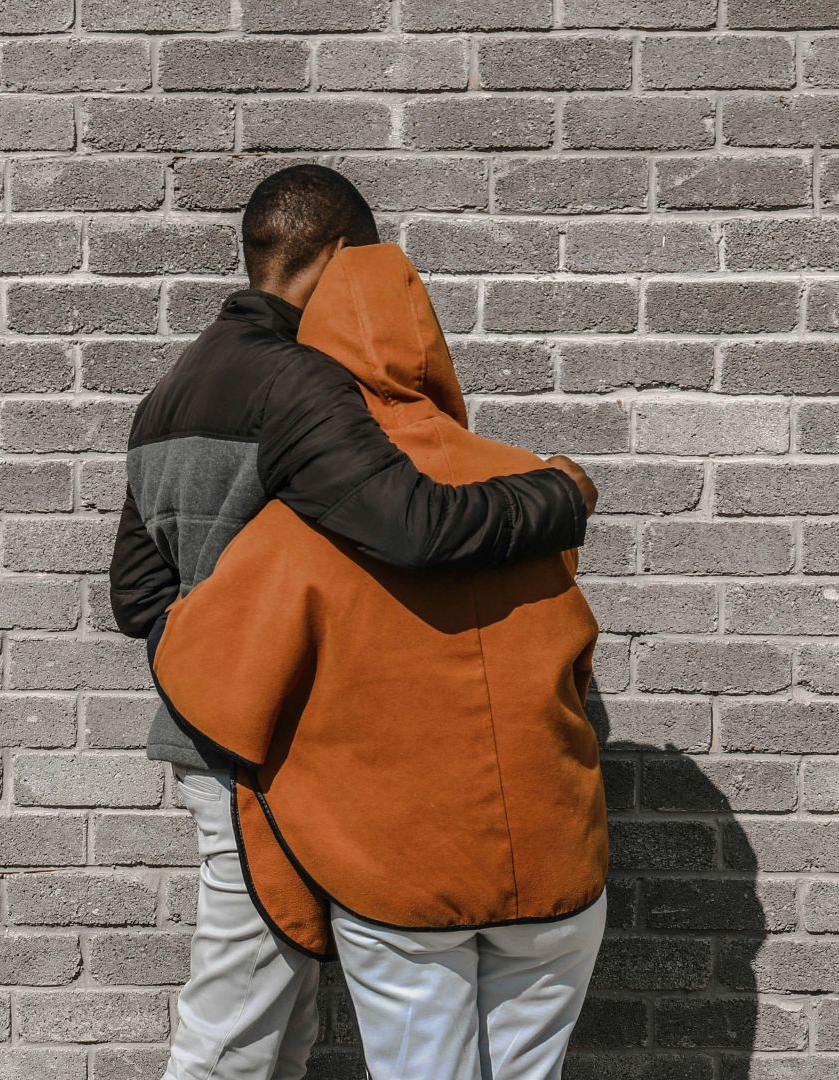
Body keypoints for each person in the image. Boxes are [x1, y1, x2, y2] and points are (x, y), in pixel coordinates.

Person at [108, 164, 598, 1080]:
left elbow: (136, 598)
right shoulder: (305, 383)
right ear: (341, 258)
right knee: (235, 1024)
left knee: (278, 1014)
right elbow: (409, 525)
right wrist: (559, 494)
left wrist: (210, 645)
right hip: (272, 751)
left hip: (209, 737)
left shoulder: (170, 392)